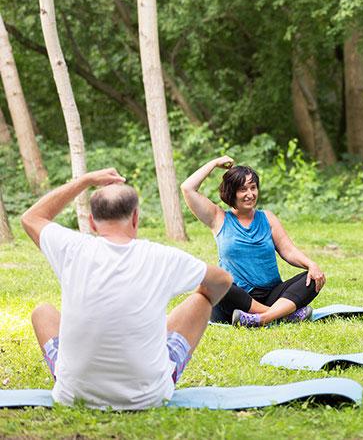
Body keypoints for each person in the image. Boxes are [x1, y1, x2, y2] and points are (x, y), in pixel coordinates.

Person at [22, 169, 232, 410]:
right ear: (135, 218)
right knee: (201, 299)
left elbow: (31, 218)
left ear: (92, 222)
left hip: (73, 395)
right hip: (149, 397)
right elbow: (223, 281)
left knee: (42, 312)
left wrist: (85, 181)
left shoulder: (72, 248)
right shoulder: (162, 257)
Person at [181, 156, 326, 327]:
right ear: (231, 192)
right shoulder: (218, 218)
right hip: (237, 298)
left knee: (310, 279)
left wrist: (311, 265)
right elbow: (188, 188)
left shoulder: (268, 218)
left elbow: (288, 250)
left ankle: (262, 318)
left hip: (272, 294)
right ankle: (281, 314)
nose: (250, 194)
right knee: (216, 283)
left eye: (253, 187)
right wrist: (214, 163)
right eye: (243, 189)